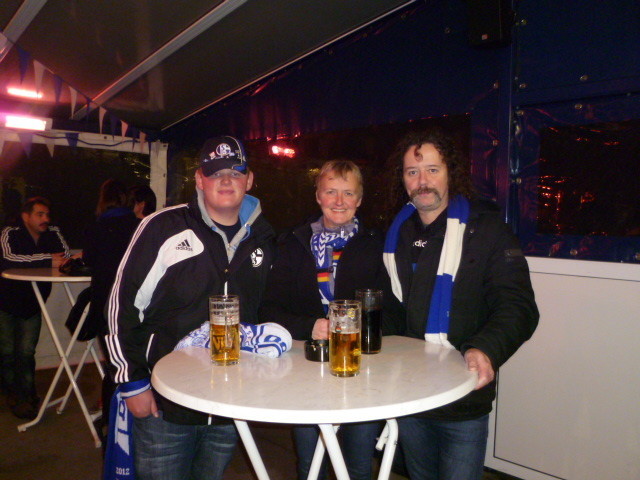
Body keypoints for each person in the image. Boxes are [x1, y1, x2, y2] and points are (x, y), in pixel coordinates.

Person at [105, 136, 275, 480]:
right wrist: (132, 382)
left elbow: (265, 313)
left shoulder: (264, 237)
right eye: (215, 173)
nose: (226, 180)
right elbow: (121, 306)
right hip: (165, 404)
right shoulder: (162, 227)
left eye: (235, 172)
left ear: (249, 180)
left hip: (230, 403)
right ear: (199, 179)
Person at [382, 128, 539, 480]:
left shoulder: (489, 230)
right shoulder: (396, 234)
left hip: (463, 396)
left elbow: (518, 306)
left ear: (450, 173)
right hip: (409, 393)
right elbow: (393, 310)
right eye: (412, 172)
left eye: (432, 169)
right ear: (403, 179)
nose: (423, 181)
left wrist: (486, 348)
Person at [260, 160, 398, 480]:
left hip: (362, 369)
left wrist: (359, 330)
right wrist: (311, 326)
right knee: (311, 464)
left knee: (358, 466)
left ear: (359, 199)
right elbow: (268, 309)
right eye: (330, 191)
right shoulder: (292, 243)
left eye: (348, 193)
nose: (339, 201)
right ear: (318, 196)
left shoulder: (378, 245)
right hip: (307, 366)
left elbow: (394, 313)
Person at [83, 179, 153, 432]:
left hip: (106, 306)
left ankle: (111, 423)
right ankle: (139, 422)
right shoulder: (140, 226)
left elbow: (89, 260)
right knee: (137, 362)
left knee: (116, 366)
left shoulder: (97, 227)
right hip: (136, 306)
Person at [0, 197, 70, 419]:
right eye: (40, 214)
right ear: (26, 216)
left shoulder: (52, 232)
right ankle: (13, 393)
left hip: (34, 301)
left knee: (26, 352)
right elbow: (8, 258)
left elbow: (65, 257)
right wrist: (47, 259)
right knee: (7, 351)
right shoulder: (10, 232)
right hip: (5, 300)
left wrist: (45, 260)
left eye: (47, 214)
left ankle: (28, 395)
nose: (45, 219)